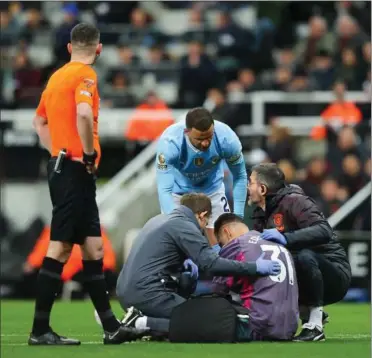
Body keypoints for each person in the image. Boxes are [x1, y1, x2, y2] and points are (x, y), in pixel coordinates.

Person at [29, 23, 142, 345]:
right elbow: (83, 115)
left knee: (93, 247)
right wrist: (87, 154)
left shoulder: (56, 77)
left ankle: (111, 328)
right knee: (61, 246)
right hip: (76, 169)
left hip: (65, 167)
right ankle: (39, 331)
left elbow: (39, 121)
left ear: (68, 48)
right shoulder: (85, 76)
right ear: (99, 48)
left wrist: (55, 152)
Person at [116, 193, 281, 336]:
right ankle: (140, 323)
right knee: (205, 321)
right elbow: (211, 264)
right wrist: (255, 267)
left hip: (127, 292)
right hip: (147, 294)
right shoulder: (184, 226)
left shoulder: (159, 219)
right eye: (206, 221)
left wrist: (182, 268)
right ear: (202, 215)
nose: (204, 228)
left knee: (189, 306)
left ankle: (141, 321)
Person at [249, 163, 351, 342]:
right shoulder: (261, 213)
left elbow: (324, 231)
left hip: (333, 273)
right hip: (303, 272)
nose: (248, 187)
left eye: (251, 182)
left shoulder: (295, 201)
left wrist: (286, 237)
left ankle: (315, 325)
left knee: (304, 256)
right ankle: (303, 311)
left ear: (263, 188)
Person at [156, 107, 247, 246]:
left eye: (209, 137)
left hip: (212, 190)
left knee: (228, 240)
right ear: (187, 132)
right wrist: (173, 224)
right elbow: (164, 190)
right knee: (176, 241)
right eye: (200, 139)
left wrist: (238, 217)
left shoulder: (227, 139)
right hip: (178, 193)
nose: (205, 143)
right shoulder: (170, 144)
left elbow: (240, 176)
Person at [213, 213, 299, 341]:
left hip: (257, 327)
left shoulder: (236, 245)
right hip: (289, 328)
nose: (222, 247)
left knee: (211, 304)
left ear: (227, 232)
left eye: (221, 243)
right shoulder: (278, 243)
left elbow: (217, 290)